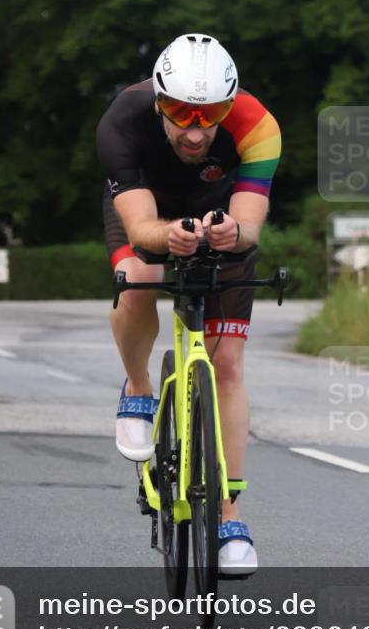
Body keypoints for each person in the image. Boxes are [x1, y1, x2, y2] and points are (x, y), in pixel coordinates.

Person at [96, 33, 281, 575]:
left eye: (211, 115)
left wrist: (234, 234)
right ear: (158, 101)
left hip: (217, 215)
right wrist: (166, 233)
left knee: (226, 366)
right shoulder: (122, 121)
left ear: (230, 104)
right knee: (139, 273)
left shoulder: (258, 125)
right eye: (180, 114)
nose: (197, 131)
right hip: (148, 209)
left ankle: (229, 516)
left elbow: (250, 223)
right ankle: (138, 386)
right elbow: (139, 226)